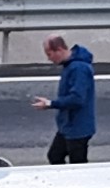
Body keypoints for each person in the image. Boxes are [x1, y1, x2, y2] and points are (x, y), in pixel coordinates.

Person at [38, 35, 97, 164]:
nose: (49, 58)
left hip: (78, 128)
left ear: (59, 49)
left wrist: (51, 104)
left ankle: (77, 183)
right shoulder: (70, 66)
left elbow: (77, 99)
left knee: (77, 163)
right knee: (55, 156)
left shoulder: (78, 69)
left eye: (49, 54)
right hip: (68, 126)